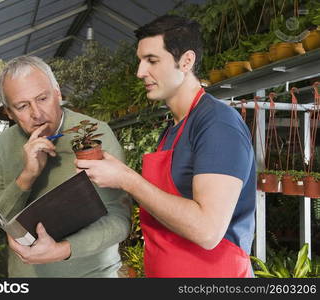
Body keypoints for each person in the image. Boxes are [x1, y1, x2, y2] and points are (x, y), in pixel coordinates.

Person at [75, 15, 256, 277]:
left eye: (152, 60)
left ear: (186, 61)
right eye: (140, 60)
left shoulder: (217, 124)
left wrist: (128, 179)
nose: (140, 72)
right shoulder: (172, 128)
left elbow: (207, 231)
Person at [0, 55, 131, 277]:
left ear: (58, 93)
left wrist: (62, 250)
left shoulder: (95, 134)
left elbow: (119, 220)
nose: (37, 114)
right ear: (8, 112)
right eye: (22, 106)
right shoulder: (0, 146)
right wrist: (26, 178)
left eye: (43, 98)